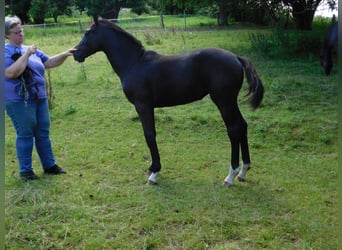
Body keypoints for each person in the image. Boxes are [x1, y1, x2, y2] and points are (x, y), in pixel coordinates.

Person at [5, 16, 76, 180]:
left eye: (21, 31)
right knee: (25, 133)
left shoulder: (31, 49)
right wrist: (26, 55)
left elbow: (49, 62)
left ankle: (50, 165)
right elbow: (11, 73)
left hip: (39, 97)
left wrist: (65, 54)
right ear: (7, 35)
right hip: (18, 100)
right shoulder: (6, 52)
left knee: (43, 132)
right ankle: (26, 171)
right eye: (16, 33)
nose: (21, 34)